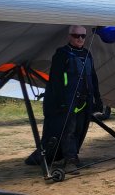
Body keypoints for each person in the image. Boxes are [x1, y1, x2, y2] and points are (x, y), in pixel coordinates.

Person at [26, 25, 103, 172]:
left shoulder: (87, 54)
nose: (80, 39)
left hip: (84, 100)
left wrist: (97, 98)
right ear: (69, 36)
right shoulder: (62, 54)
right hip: (69, 100)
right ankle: (70, 159)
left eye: (83, 36)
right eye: (76, 36)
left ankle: (73, 155)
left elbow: (93, 77)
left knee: (79, 129)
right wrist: (60, 101)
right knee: (69, 130)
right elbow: (55, 80)